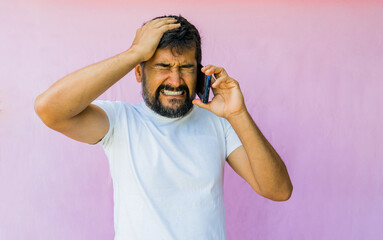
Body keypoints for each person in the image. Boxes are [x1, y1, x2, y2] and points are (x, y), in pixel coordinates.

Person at [34, 15, 293, 240]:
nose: (176, 80)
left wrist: (238, 113)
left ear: (201, 72)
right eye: (163, 66)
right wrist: (134, 52)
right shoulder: (120, 121)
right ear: (138, 72)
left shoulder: (220, 123)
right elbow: (49, 109)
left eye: (186, 67)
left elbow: (278, 190)